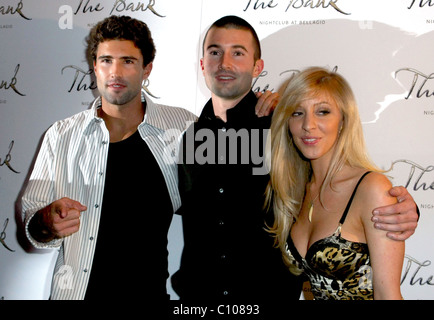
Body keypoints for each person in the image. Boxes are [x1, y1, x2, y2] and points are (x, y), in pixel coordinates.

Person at [172, 16, 418, 302]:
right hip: (199, 302)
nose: (224, 63)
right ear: (202, 64)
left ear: (257, 67)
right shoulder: (188, 138)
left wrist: (404, 209)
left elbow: (344, 186)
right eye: (215, 52)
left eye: (237, 53)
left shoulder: (283, 126)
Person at [20, 15, 198, 301]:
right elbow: (33, 224)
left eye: (127, 61)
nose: (115, 72)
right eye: (106, 60)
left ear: (147, 69)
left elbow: (228, 191)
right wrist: (46, 222)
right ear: (94, 67)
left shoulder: (184, 128)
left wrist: (272, 114)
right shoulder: (61, 136)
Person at [266, 67, 405, 299]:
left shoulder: (372, 189)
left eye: (322, 112)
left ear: (343, 121)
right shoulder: (296, 192)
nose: (308, 125)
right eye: (297, 113)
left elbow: (388, 294)